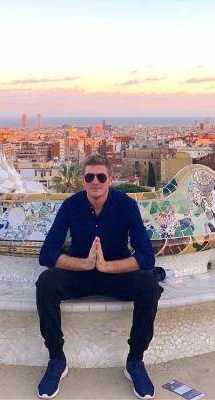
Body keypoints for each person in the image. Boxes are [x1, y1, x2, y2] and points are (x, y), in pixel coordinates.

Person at [36, 155, 162, 400]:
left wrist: (108, 267)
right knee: (46, 283)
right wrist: (83, 264)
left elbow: (147, 256)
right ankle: (56, 359)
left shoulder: (125, 205)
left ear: (110, 180)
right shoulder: (71, 206)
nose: (95, 181)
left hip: (116, 275)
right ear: (83, 180)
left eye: (101, 177)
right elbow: (47, 254)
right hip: (80, 275)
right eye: (89, 177)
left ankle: (135, 360)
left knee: (148, 285)